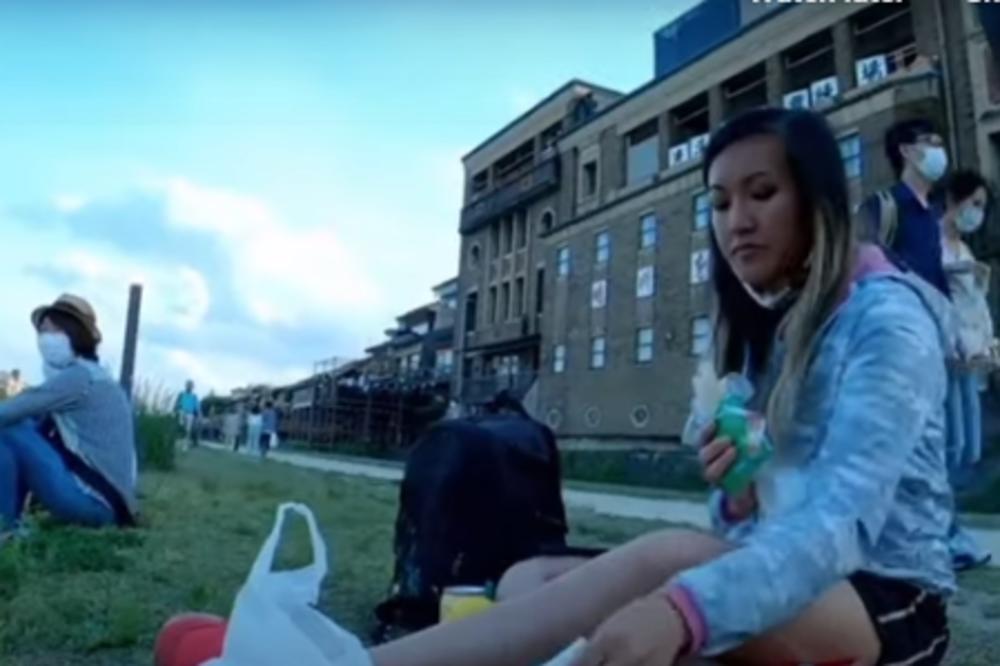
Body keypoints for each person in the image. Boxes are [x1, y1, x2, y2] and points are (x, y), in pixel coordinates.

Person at [156, 109, 956, 665]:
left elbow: (835, 529)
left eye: (762, 193)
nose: (735, 221)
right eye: (717, 203)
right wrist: (741, 495)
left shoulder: (888, 322)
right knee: (527, 578)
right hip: (792, 586)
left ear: (817, 198)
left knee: (668, 564)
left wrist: (682, 608)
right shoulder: (774, 328)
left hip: (884, 603)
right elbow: (749, 528)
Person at [0, 294, 138, 539]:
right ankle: (10, 520)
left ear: (75, 334)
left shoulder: (79, 377)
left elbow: (9, 412)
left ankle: (6, 525)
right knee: (19, 432)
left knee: (10, 428)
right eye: (42, 331)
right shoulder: (95, 375)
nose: (45, 338)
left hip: (93, 503)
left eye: (54, 329)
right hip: (111, 505)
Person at [940, 169, 997, 570]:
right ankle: (947, 535)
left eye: (982, 206)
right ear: (953, 201)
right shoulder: (932, 244)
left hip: (972, 358)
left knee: (969, 449)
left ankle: (948, 530)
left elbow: (975, 306)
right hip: (946, 358)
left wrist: (989, 344)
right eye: (974, 203)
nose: (977, 213)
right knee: (951, 446)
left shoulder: (965, 250)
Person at [859, 117, 951, 297]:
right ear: (905, 150)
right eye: (929, 142)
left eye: (940, 144)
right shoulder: (881, 206)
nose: (938, 151)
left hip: (934, 310)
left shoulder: (935, 212)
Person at [175, 380, 200, 450]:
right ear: (186, 386)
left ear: (192, 387)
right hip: (182, 412)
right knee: (181, 424)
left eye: (191, 386)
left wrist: (197, 415)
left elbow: (197, 407)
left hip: (190, 414)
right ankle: (180, 435)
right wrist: (176, 409)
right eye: (188, 385)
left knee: (188, 430)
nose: (189, 387)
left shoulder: (194, 396)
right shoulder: (181, 394)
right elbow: (177, 403)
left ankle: (185, 444)